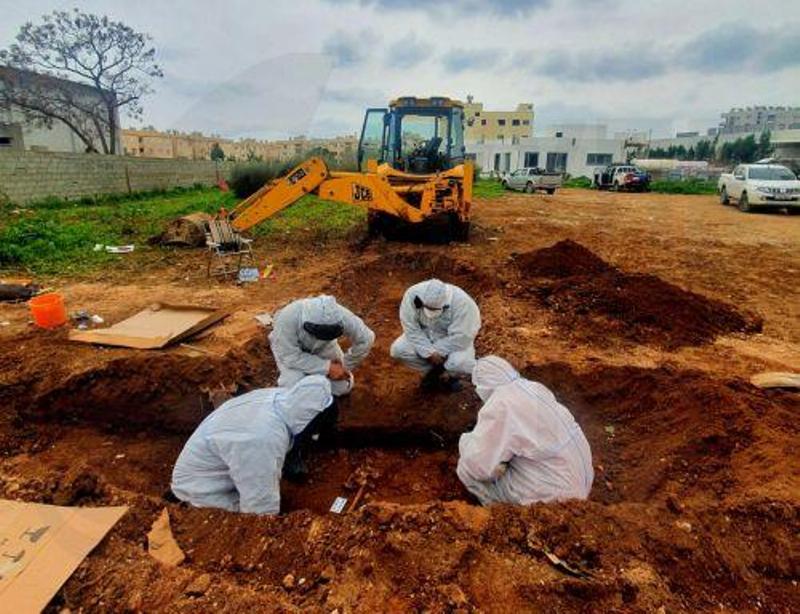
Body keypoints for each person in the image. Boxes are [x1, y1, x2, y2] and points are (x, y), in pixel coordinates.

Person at [170, 376, 333, 515]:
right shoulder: (262, 439)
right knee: (240, 518)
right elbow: (259, 509)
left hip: (218, 464)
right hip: (201, 490)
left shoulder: (282, 398)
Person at [457, 356, 593, 506]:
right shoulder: (533, 387)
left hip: (556, 494)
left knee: (466, 469)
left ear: (482, 386)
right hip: (580, 478)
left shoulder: (501, 404)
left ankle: (499, 513)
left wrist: (465, 442)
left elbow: (479, 467)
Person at [269, 295, 375, 397]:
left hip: (323, 347)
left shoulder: (342, 316)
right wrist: (327, 367)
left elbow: (366, 339)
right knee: (294, 389)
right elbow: (290, 357)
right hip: (291, 353)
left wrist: (345, 366)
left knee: (343, 387)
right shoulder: (286, 319)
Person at [390, 278, 481, 391]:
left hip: (454, 341)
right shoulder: (412, 294)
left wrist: (438, 351)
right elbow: (411, 328)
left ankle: (451, 375)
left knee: (458, 363)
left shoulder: (463, 303)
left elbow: (462, 337)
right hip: (426, 334)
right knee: (398, 350)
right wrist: (429, 352)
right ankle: (438, 375)